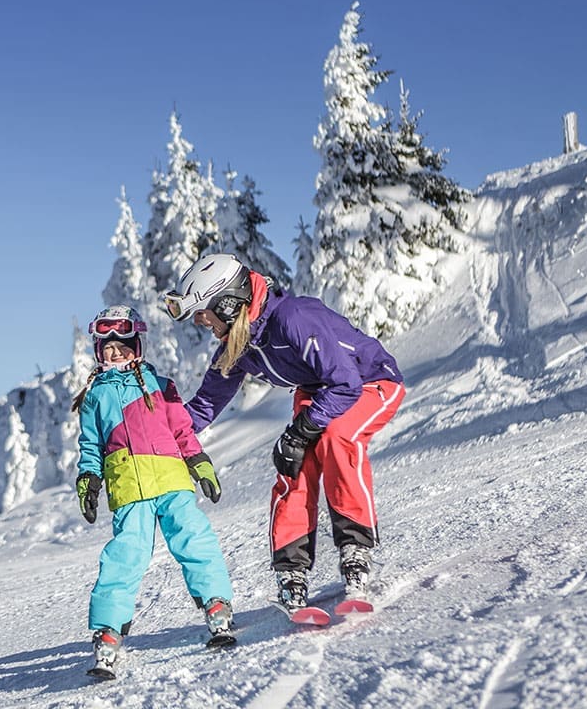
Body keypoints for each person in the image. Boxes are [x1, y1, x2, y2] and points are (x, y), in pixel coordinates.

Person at [160, 254, 405, 612]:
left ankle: (355, 549)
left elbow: (345, 383)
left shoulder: (293, 319)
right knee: (294, 462)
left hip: (370, 381)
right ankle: (292, 571)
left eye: (204, 314)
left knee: (336, 438)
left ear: (227, 304)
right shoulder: (239, 344)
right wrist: (158, 440)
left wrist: (302, 428)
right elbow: (203, 406)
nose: (203, 324)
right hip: (320, 390)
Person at [73, 305, 236, 675]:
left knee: (193, 537)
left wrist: (199, 462)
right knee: (123, 556)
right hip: (128, 486)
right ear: (98, 352)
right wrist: (88, 479)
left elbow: (182, 430)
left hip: (171, 480)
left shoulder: (161, 387)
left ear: (136, 345)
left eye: (122, 345)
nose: (115, 353)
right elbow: (90, 446)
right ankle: (108, 633)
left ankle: (216, 605)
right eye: (107, 348)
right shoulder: (94, 397)